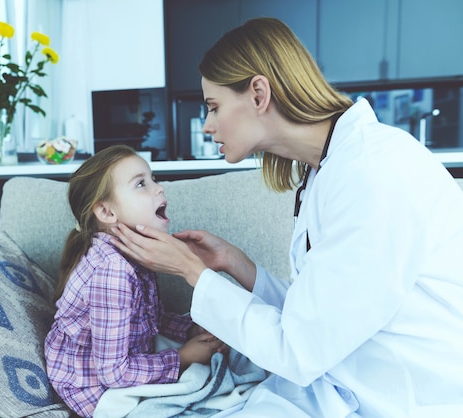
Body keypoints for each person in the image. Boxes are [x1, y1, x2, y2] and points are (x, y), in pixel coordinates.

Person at [110, 17, 463, 417]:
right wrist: (235, 264)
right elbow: (318, 312)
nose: (207, 125)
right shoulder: (327, 169)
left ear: (258, 93)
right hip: (344, 379)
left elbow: (300, 349)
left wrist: (194, 272)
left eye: (214, 106)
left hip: (405, 396)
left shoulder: (373, 175)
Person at [44, 145, 225, 417]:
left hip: (121, 367)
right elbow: (114, 374)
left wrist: (189, 330)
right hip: (92, 386)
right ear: (106, 213)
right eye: (141, 183)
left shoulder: (135, 253)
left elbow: (150, 319)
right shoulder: (112, 270)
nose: (159, 188)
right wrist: (185, 357)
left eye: (153, 178)